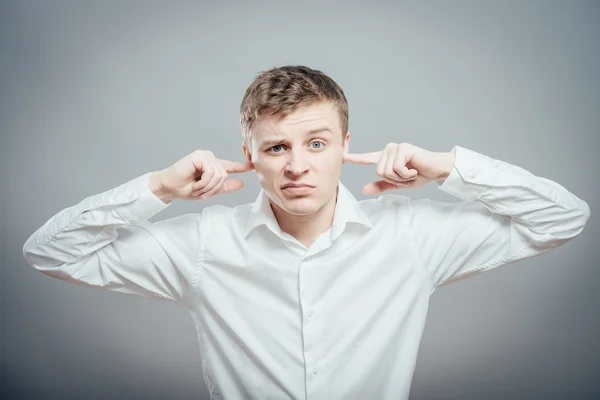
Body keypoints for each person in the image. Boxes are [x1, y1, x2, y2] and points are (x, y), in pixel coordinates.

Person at [23, 65, 590, 400]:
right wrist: (159, 189)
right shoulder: (203, 244)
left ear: (346, 145)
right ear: (251, 157)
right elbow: (50, 252)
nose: (297, 166)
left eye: (316, 143)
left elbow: (563, 217)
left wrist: (447, 168)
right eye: (277, 147)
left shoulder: (412, 236)